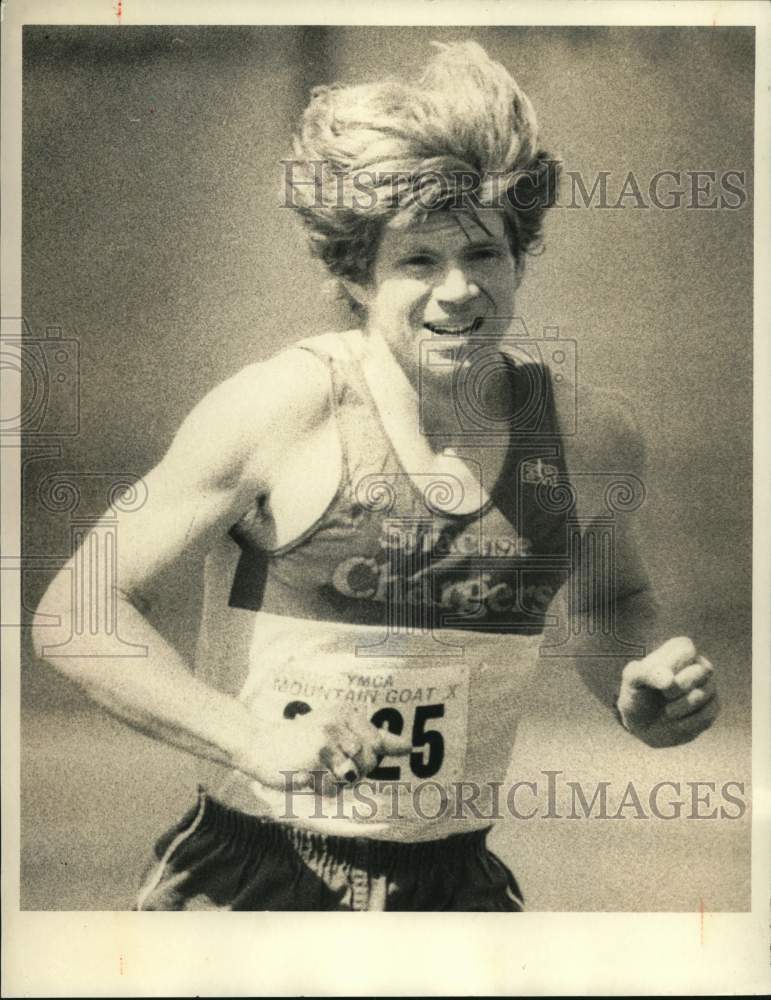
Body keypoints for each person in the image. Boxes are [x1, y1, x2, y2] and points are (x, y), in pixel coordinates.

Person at [33, 41, 719, 911]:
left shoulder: (588, 435)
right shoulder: (278, 408)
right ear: (355, 275)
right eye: (418, 261)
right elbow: (74, 610)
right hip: (251, 875)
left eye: (484, 254)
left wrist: (640, 690)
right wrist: (246, 739)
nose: (459, 291)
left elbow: (612, 607)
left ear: (520, 253)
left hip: (456, 883)